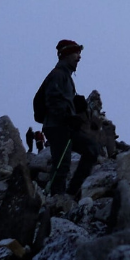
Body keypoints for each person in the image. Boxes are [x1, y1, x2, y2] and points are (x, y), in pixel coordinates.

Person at [38, 39, 99, 196]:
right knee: (61, 163)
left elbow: (60, 100)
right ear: (66, 55)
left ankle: (71, 193)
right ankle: (55, 198)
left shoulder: (65, 76)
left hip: (65, 125)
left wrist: (75, 104)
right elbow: (52, 100)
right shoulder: (58, 75)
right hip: (57, 126)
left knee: (92, 149)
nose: (79, 57)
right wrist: (68, 117)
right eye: (76, 53)